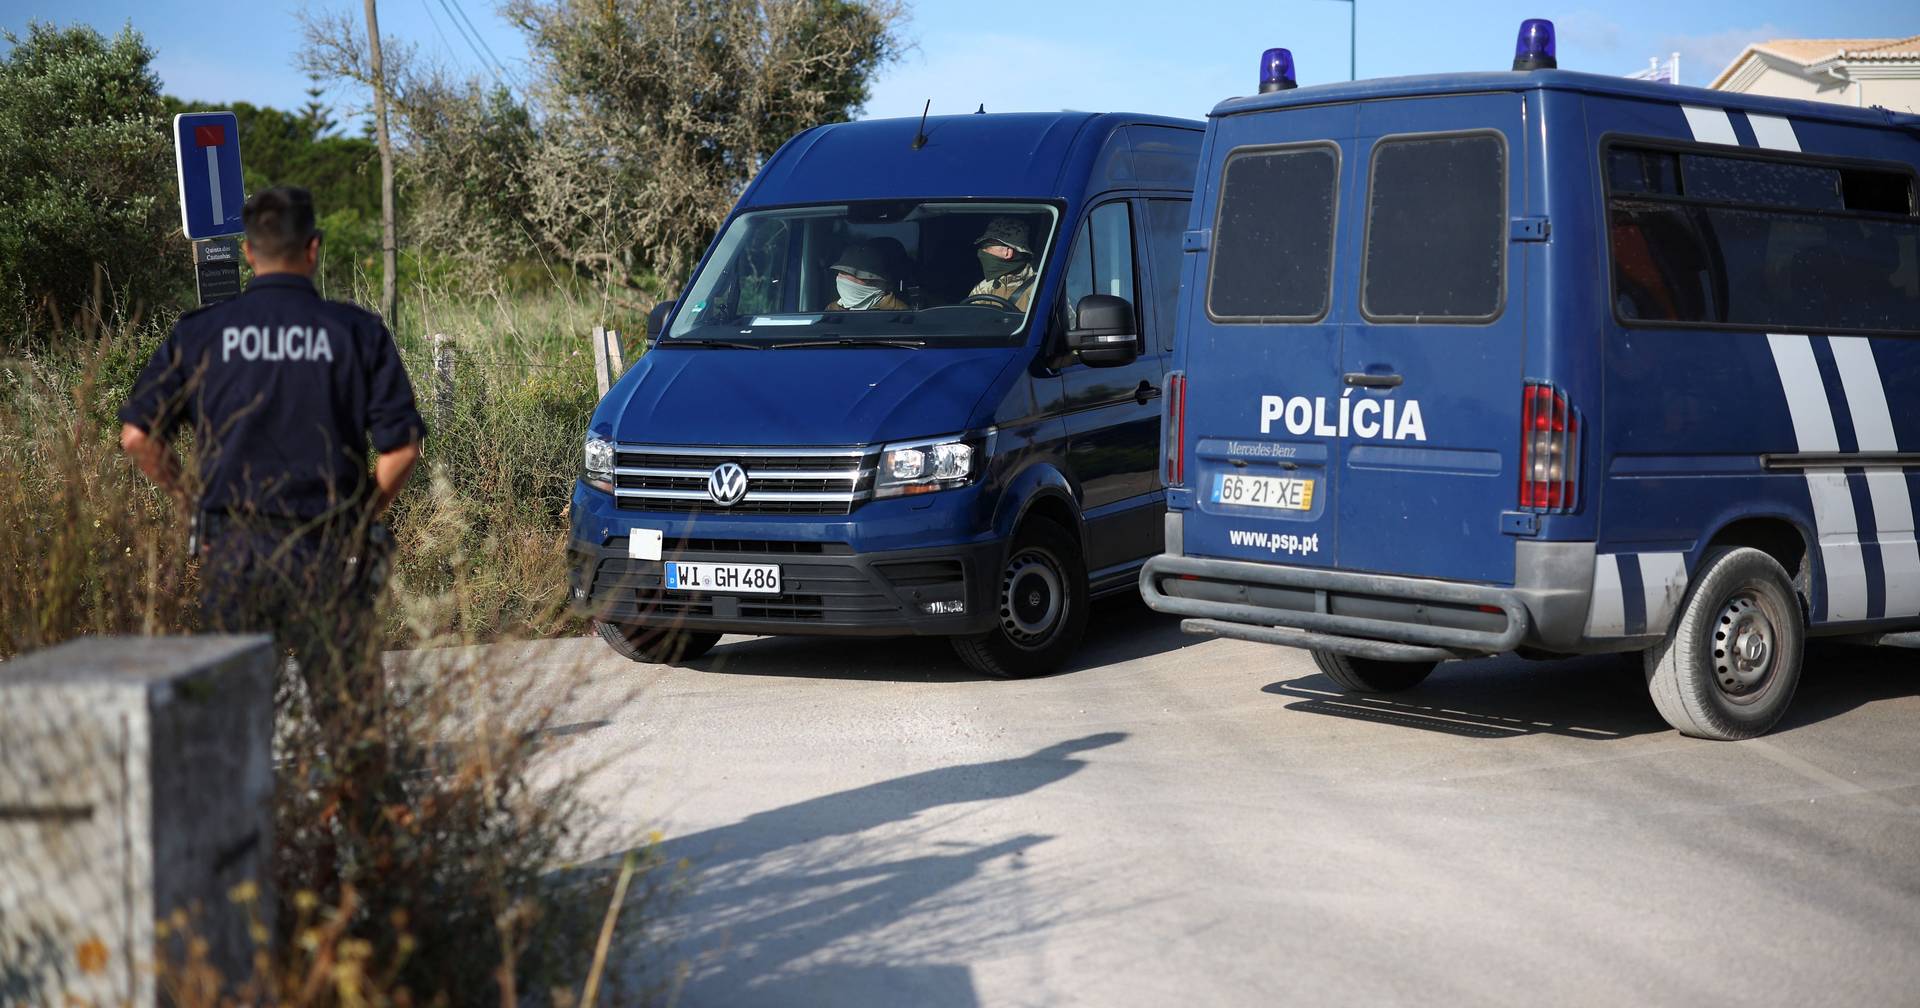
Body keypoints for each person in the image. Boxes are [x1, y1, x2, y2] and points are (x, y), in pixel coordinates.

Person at [118, 185, 424, 729]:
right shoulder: (356, 333)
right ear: (313, 247)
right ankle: (360, 812)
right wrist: (359, 518)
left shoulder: (201, 334)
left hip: (233, 554)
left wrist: (194, 502)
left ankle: (243, 812)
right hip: (328, 553)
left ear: (248, 253)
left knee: (232, 735)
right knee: (354, 734)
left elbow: (137, 437)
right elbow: (401, 449)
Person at [967, 216, 1039, 311]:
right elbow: (968, 318)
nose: (982, 251)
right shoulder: (985, 287)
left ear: (1007, 252)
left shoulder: (1040, 286)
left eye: (987, 246)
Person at [826, 240, 910, 311]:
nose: (840, 278)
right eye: (840, 272)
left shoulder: (900, 312)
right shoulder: (832, 309)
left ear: (871, 281)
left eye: (847, 273)